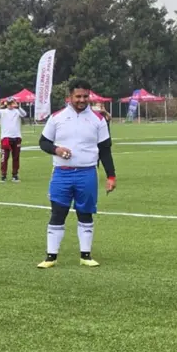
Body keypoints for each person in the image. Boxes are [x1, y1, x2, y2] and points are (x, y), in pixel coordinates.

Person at [37, 79, 116, 269]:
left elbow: (105, 150)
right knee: (58, 213)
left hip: (87, 173)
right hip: (62, 174)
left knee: (85, 213)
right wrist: (56, 150)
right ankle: (51, 257)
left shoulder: (98, 120)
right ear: (69, 97)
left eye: (85, 96)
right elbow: (43, 142)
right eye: (78, 96)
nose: (82, 100)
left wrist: (111, 176)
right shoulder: (57, 118)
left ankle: (86, 256)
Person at [0, 97, 27, 183]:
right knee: (4, 158)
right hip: (5, 137)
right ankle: (3, 175)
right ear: (6, 104)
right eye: (9, 103)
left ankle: (15, 175)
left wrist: (18, 107)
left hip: (17, 137)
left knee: (16, 157)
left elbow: (24, 114)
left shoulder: (17, 111)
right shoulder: (2, 112)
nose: (10, 105)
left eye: (12, 103)